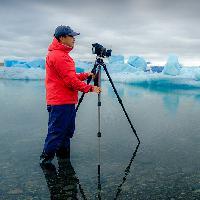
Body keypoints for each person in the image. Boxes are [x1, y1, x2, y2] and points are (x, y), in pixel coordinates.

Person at [40, 25, 101, 165]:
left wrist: (86, 75)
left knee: (65, 133)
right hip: (61, 102)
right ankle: (46, 162)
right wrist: (90, 88)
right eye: (71, 36)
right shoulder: (59, 56)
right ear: (62, 38)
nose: (74, 39)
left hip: (62, 101)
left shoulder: (59, 54)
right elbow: (70, 81)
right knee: (56, 133)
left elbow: (68, 77)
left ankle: (63, 160)